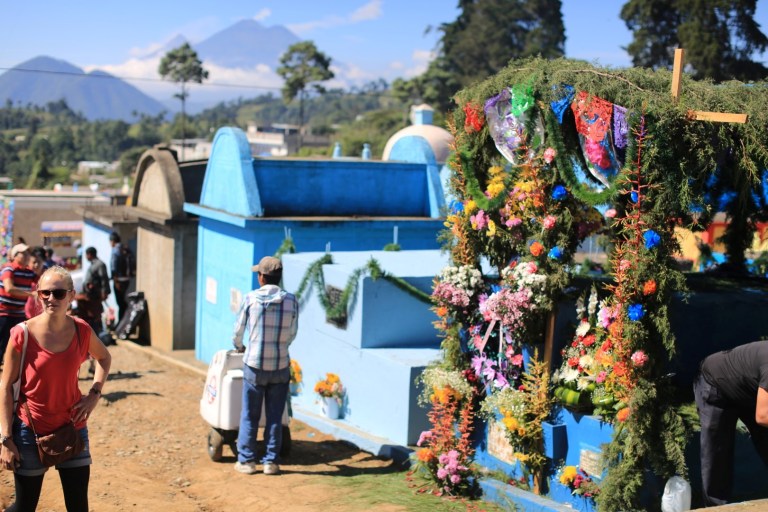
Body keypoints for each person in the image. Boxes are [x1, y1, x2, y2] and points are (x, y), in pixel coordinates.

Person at [0, 265, 111, 511]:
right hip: (30, 431)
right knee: (24, 506)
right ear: (38, 295)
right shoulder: (23, 333)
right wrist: (6, 439)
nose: (52, 298)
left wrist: (94, 394)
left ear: (71, 296)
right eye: (45, 293)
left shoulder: (82, 329)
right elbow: (5, 387)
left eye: (59, 293)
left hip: (73, 428)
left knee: (78, 506)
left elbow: (104, 358)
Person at [232, 256, 298, 476]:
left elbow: (238, 332)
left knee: (249, 414)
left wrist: (240, 345)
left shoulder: (250, 299)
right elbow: (292, 333)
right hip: (280, 365)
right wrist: (280, 346)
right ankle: (270, 462)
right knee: (274, 415)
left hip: (254, 365)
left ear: (261, 277)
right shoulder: (291, 300)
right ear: (279, 278)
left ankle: (247, 461)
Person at [693, 341, 768, 506]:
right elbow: (762, 416)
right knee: (716, 453)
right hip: (714, 382)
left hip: (748, 389)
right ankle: (716, 508)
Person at [0, 244, 36, 360]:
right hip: (4, 313)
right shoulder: (9, 269)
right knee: (1, 344)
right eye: (23, 253)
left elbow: (42, 278)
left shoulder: (29, 272)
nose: (26, 256)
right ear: (15, 256)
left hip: (19, 314)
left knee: (20, 345)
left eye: (28, 254)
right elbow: (9, 288)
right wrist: (30, 294)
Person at [77, 247, 110, 334]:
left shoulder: (100, 264)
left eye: (86, 255)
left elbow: (104, 279)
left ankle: (97, 333)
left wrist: (104, 292)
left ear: (89, 254)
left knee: (95, 315)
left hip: (95, 295)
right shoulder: (93, 264)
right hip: (90, 294)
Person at [108, 232, 133, 322]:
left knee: (120, 303)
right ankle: (124, 321)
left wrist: (116, 282)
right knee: (122, 302)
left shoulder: (115, 251)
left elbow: (113, 268)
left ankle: (121, 323)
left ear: (113, 241)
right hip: (127, 279)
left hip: (119, 281)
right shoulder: (126, 248)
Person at [24, 247, 46, 319]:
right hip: (27, 315)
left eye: (39, 262)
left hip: (43, 316)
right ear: (29, 262)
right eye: (34, 262)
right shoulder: (25, 274)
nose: (36, 265)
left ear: (43, 261)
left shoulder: (48, 276)